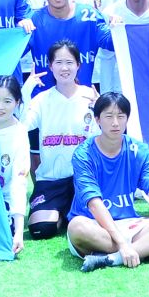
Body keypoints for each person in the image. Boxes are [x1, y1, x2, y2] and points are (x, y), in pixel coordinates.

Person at [69, 92, 149, 271]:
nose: (115, 123)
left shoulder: (138, 150)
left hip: (129, 223)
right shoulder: (83, 154)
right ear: (97, 119)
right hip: (96, 225)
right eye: (109, 116)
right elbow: (94, 204)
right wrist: (122, 243)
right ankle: (144, 248)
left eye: (121, 116)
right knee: (77, 227)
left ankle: (111, 259)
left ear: (127, 119)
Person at [23, 41, 98, 240]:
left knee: (96, 221)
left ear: (78, 65)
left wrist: (101, 111)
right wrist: (26, 91)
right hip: (51, 181)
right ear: (50, 66)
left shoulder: (91, 97)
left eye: (69, 62)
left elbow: (106, 137)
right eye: (58, 62)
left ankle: (69, 212)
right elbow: (21, 126)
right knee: (41, 230)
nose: (64, 68)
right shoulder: (41, 100)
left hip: (83, 179)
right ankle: (63, 213)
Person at [21, 0, 114, 89]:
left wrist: (118, 28)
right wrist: (18, 32)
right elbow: (11, 53)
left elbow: (112, 43)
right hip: (43, 97)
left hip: (82, 96)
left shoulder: (89, 16)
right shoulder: (33, 21)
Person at [0, 75, 31, 255]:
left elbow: (18, 182)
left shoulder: (19, 134)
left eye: (7, 101)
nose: (0, 107)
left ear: (17, 103)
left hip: (3, 198)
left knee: (0, 233)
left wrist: (19, 232)